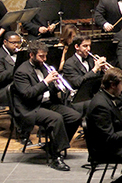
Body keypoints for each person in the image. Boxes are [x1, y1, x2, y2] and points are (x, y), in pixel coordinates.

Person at [11, 41, 82, 171]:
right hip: (30, 108)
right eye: (41, 56)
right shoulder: (21, 72)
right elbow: (28, 94)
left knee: (75, 116)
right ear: (31, 55)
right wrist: (46, 82)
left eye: (45, 56)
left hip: (47, 103)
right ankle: (56, 157)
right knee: (56, 118)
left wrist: (56, 86)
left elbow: (49, 90)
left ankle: (52, 146)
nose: (44, 59)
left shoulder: (44, 67)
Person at [61, 35, 109, 115]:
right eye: (85, 46)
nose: (88, 49)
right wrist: (95, 69)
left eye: (89, 46)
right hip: (76, 99)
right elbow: (78, 82)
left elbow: (96, 79)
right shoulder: (69, 64)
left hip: (91, 94)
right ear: (77, 47)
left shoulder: (90, 59)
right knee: (100, 105)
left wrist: (103, 70)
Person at [0, 31, 22, 106]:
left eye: (18, 42)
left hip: (17, 85)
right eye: (13, 43)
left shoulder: (20, 54)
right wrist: (17, 67)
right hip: (2, 90)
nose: (17, 45)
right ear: (5, 42)